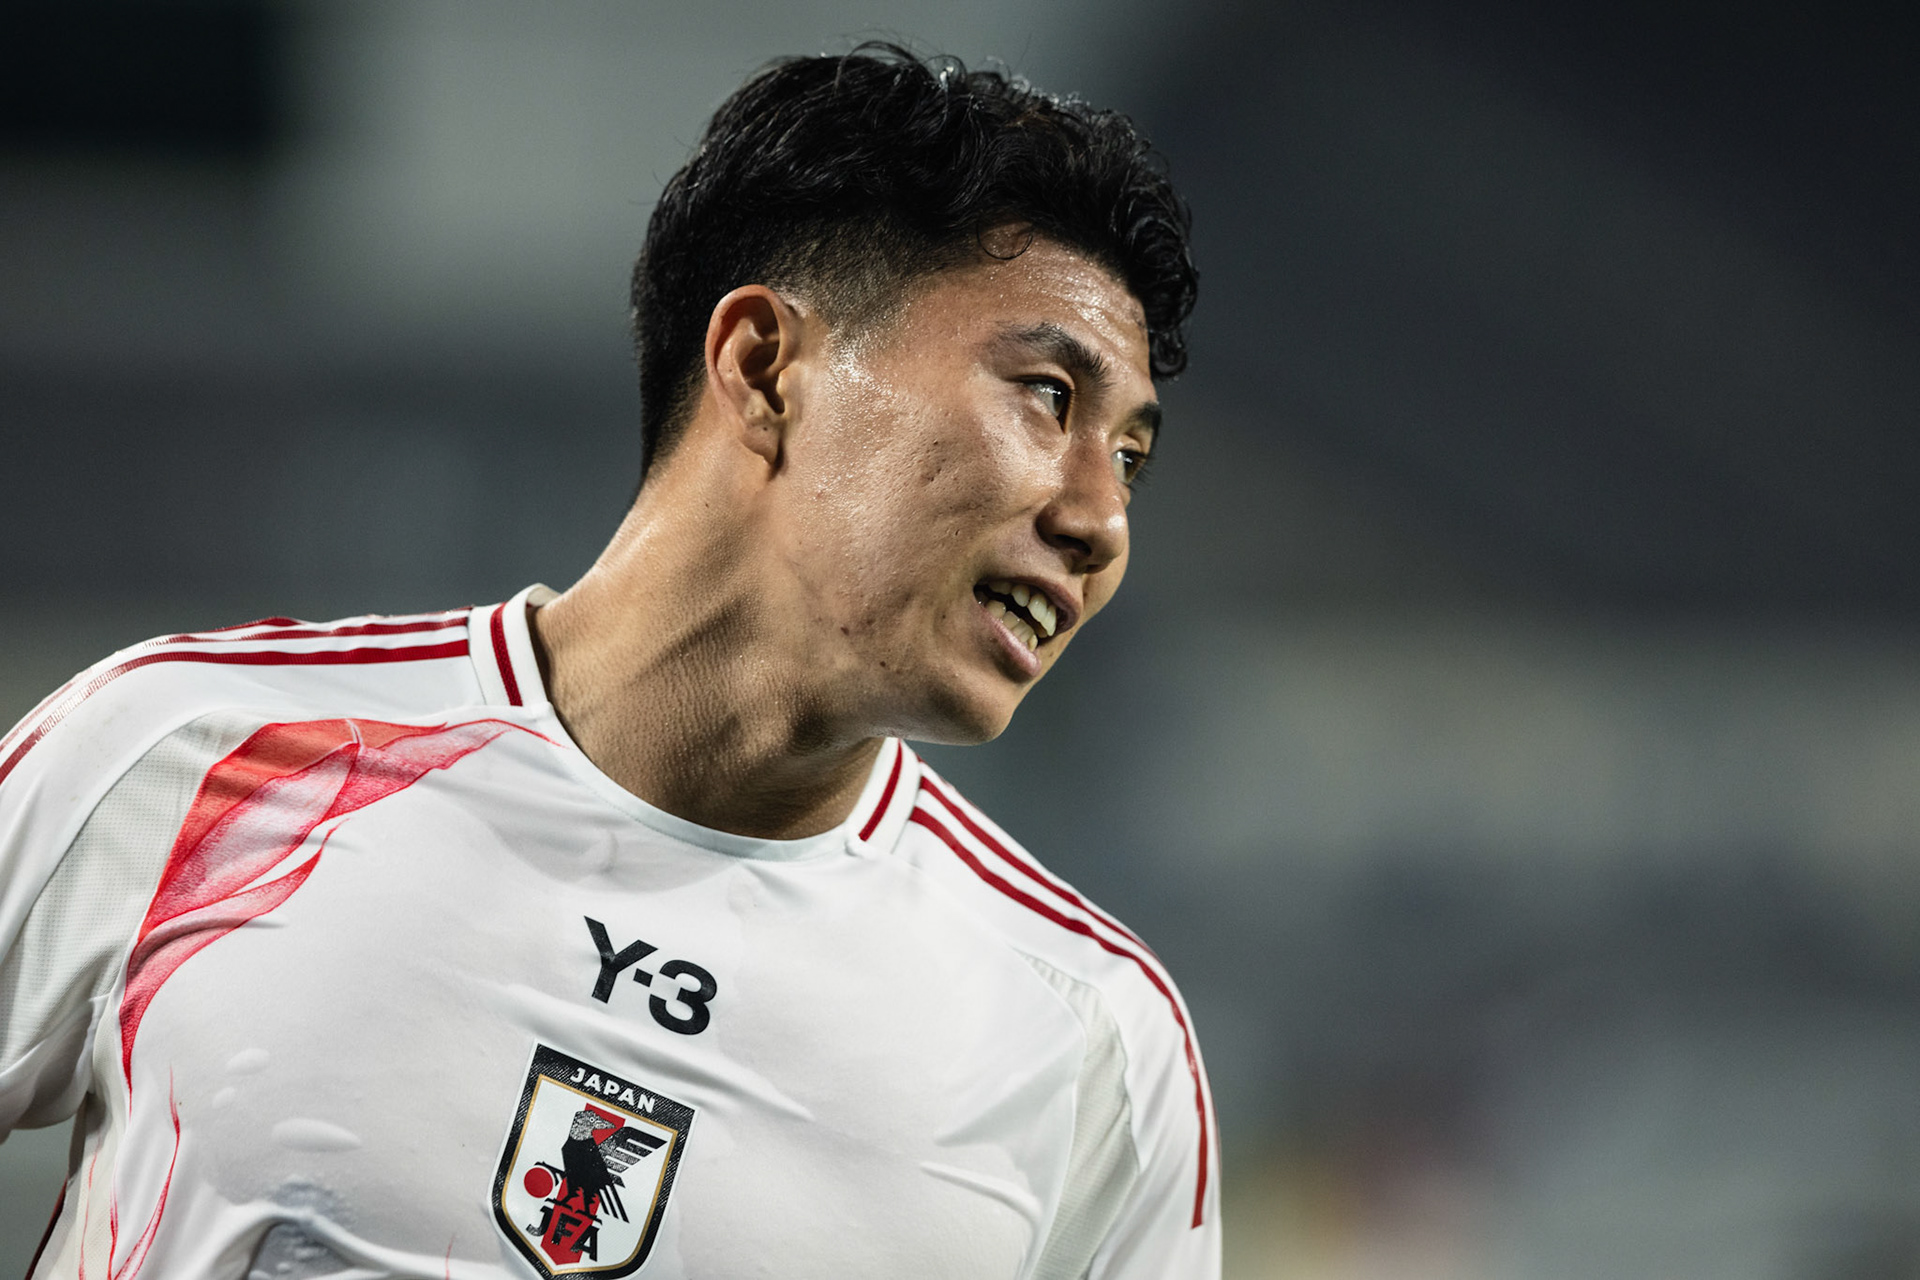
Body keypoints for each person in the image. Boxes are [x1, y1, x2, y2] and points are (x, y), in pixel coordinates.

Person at [0, 44, 1216, 1279]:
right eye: (1050, 394)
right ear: (761, 365)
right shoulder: (193, 755)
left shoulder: (1090, 1042)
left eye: (1130, 456)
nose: (1100, 520)